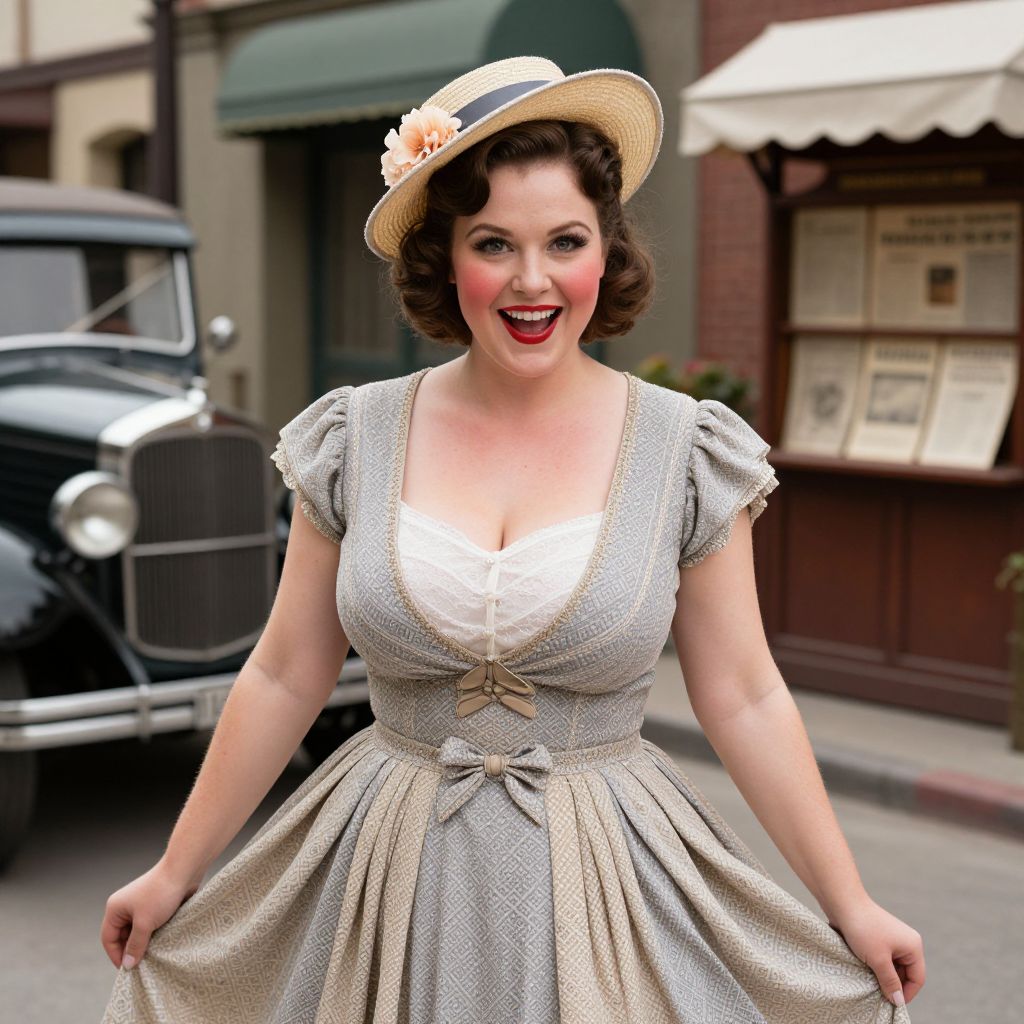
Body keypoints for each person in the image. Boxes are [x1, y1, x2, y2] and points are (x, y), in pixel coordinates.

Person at [100, 56, 925, 1023]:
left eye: (565, 241)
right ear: (445, 260)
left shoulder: (684, 449)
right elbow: (284, 674)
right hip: (388, 878)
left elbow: (744, 694)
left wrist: (849, 902)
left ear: (605, 253)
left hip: (606, 882)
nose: (533, 282)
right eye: (494, 243)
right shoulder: (356, 435)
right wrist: (175, 870)